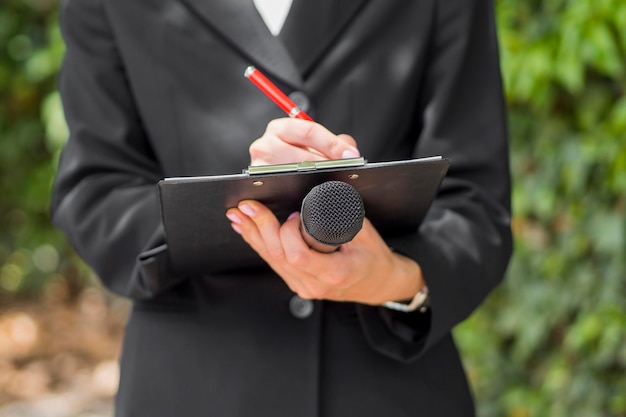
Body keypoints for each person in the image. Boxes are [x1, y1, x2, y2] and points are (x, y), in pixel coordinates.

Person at [51, 0, 512, 416]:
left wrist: (392, 278)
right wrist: (257, 199)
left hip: (386, 386)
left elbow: (475, 201)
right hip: (196, 386)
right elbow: (95, 193)